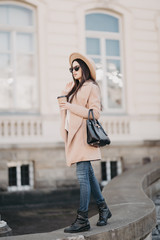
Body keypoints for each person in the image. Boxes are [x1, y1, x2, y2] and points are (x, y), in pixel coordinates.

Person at [58, 52, 112, 233]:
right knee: (88, 176)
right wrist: (65, 96)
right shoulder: (76, 88)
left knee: (83, 178)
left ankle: (82, 219)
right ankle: (104, 209)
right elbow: (65, 112)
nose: (73, 71)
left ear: (84, 68)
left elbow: (95, 113)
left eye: (76, 68)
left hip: (83, 138)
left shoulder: (91, 87)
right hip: (74, 137)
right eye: (71, 69)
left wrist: (70, 105)